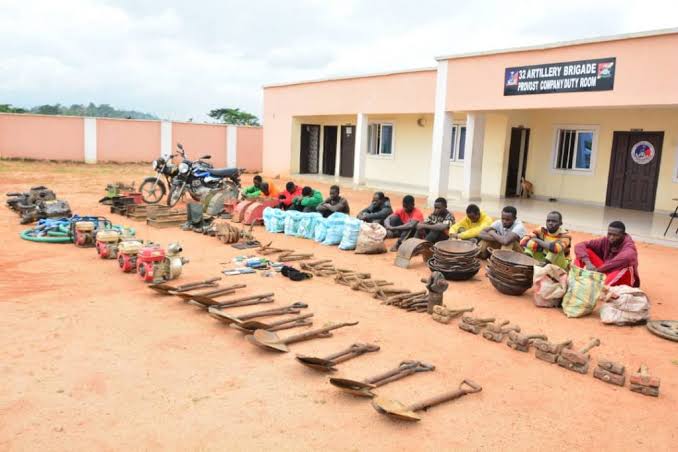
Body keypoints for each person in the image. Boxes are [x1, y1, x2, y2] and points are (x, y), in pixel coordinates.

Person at [574, 221, 640, 287]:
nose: (611, 238)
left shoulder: (629, 247)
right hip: (605, 270)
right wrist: (588, 262)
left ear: (623, 235)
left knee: (623, 268)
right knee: (585, 251)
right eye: (609, 234)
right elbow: (579, 245)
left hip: (622, 276)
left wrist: (597, 270)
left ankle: (600, 287)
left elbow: (623, 259)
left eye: (615, 235)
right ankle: (574, 278)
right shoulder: (605, 240)